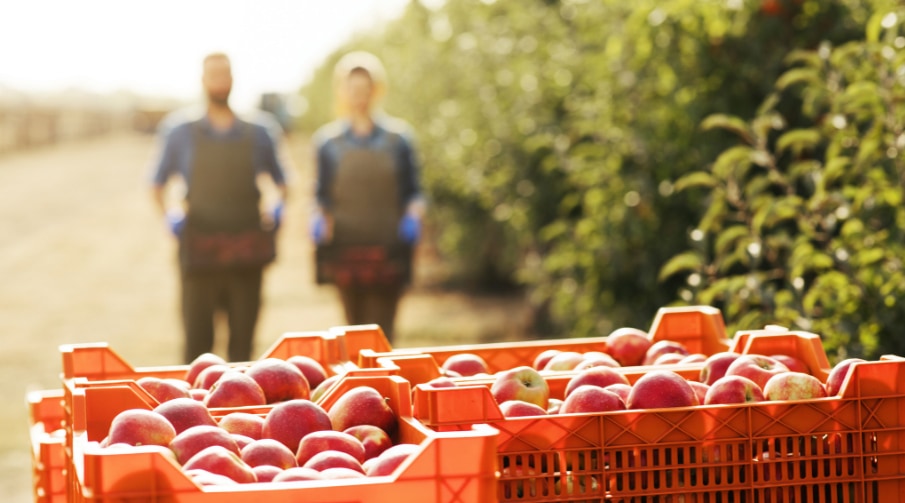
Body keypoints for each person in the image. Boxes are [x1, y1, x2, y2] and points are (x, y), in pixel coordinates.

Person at [151, 52, 288, 363]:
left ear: (233, 80)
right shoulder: (180, 131)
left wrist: (279, 209)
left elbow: (283, 182)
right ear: (203, 81)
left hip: (247, 251)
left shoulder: (260, 131)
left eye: (225, 74)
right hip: (199, 251)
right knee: (197, 349)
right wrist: (169, 214)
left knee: (244, 349)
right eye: (213, 75)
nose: (219, 81)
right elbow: (156, 183)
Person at [311, 51, 425, 343]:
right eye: (353, 89)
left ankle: (381, 387)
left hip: (389, 243)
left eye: (366, 89)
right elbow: (321, 195)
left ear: (377, 90)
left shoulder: (399, 140)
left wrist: (413, 216)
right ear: (343, 92)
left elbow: (414, 192)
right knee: (353, 328)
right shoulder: (328, 143)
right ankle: (360, 387)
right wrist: (318, 220)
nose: (359, 96)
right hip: (347, 245)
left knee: (382, 330)